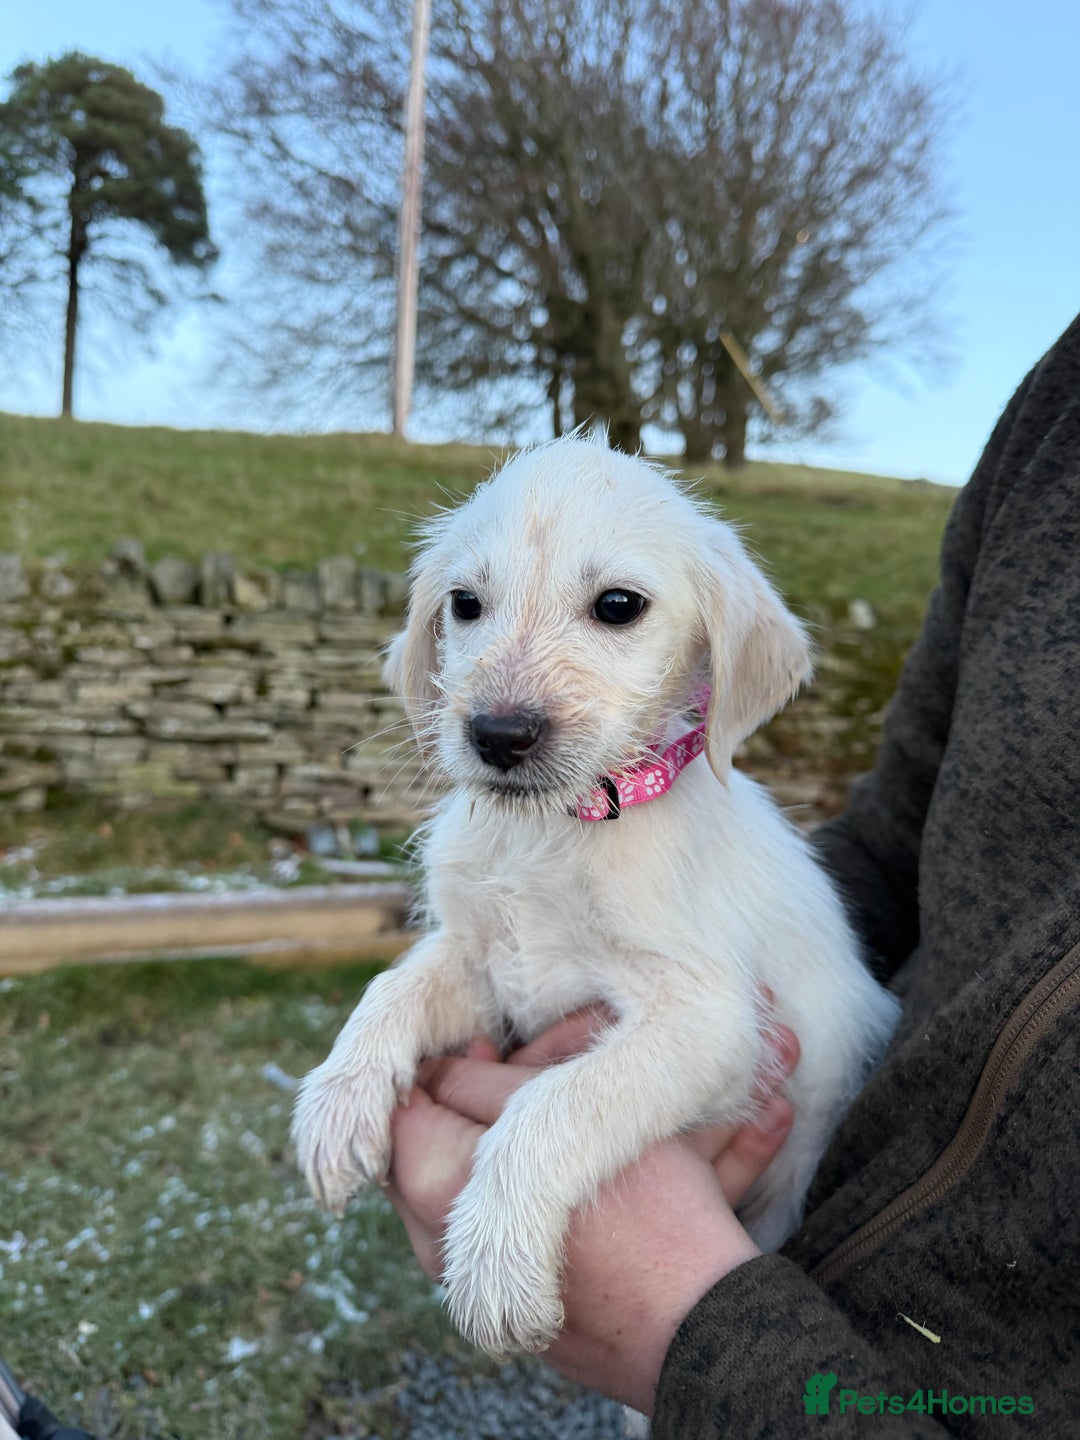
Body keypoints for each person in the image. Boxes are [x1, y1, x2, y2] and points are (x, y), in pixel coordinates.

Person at [385, 314, 1080, 1436]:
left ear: (719, 651)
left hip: (891, 1302)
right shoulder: (1059, 410)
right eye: (469, 606)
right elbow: (903, 830)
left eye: (615, 609)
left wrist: (693, 1324)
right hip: (760, 1207)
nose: (503, 703)